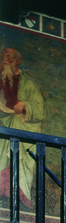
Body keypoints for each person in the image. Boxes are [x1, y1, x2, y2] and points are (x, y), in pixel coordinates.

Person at [0, 47, 46, 208]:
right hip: (4, 125)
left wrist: (25, 105)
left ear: (17, 61)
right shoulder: (1, 79)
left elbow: (40, 110)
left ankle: (18, 196)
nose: (5, 59)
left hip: (23, 128)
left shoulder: (29, 84)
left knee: (19, 159)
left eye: (9, 57)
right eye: (3, 56)